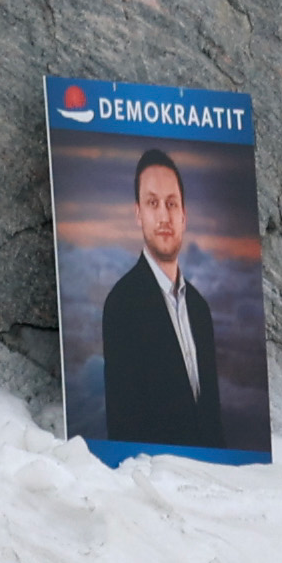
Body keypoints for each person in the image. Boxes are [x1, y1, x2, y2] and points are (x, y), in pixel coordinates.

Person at [87, 147, 221, 448]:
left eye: (172, 204)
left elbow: (212, 417)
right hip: (154, 480)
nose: (164, 216)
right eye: (152, 203)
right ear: (138, 214)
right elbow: (123, 426)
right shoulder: (121, 304)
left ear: (184, 216)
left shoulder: (200, 309)